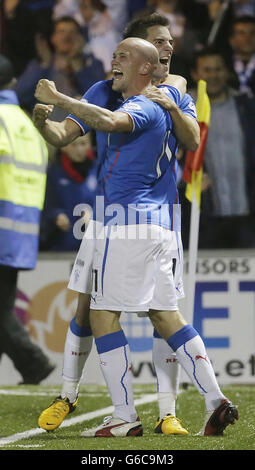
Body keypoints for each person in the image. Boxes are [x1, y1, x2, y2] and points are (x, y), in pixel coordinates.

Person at [34, 38, 238, 437]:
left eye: (123, 56)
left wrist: (60, 97)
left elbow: (110, 122)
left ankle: (124, 417)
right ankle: (216, 400)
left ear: (146, 68)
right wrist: (47, 120)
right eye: (116, 54)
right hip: (157, 226)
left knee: (101, 315)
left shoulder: (145, 102)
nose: (114, 60)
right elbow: (75, 131)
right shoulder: (149, 99)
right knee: (165, 315)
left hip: (126, 224)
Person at [0, 54, 55, 384]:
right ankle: (32, 366)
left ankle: (34, 364)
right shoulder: (24, 123)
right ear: (13, 83)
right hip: (20, 230)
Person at [180, 47, 255, 250]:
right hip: (202, 218)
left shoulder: (246, 107)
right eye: (207, 70)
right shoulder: (183, 112)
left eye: (218, 69)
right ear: (195, 74)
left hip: (247, 217)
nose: (213, 75)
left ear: (227, 72)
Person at [15, 15, 105, 120]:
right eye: (61, 31)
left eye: (72, 32)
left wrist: (77, 64)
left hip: (79, 130)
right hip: (45, 127)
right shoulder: (40, 65)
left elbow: (99, 100)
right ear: (53, 38)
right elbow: (19, 96)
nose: (67, 37)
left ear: (80, 38)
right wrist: (44, 65)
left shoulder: (92, 63)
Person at [40, 133, 98, 252]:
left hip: (92, 247)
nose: (79, 149)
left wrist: (94, 214)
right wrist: (56, 215)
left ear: (90, 145)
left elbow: (109, 203)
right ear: (63, 146)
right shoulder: (53, 172)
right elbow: (45, 204)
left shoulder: (98, 170)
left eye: (83, 143)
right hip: (60, 245)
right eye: (73, 144)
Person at [228, 15, 255, 96]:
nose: (248, 38)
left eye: (253, 33)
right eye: (241, 33)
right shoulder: (223, 65)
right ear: (231, 39)